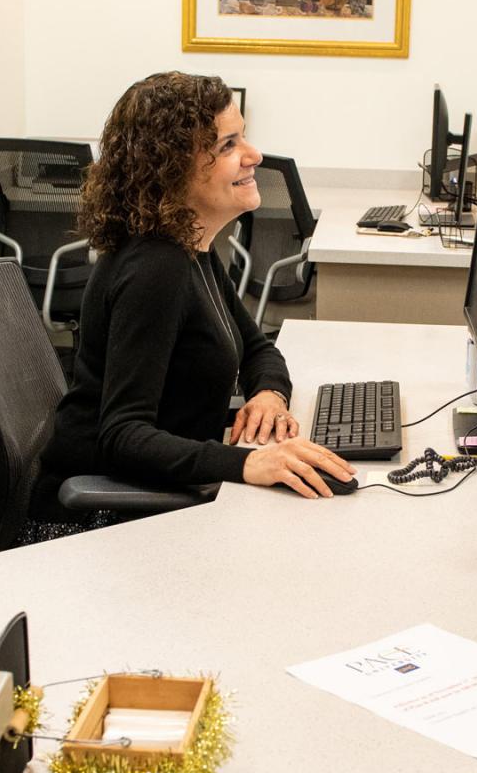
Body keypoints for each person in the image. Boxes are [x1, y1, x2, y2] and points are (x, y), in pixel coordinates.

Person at [26, 71, 353, 539]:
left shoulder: (190, 249)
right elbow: (123, 436)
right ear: (171, 167)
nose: (254, 155)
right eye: (227, 145)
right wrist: (250, 463)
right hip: (98, 528)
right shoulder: (155, 269)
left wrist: (268, 395)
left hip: (160, 496)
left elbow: (258, 347)